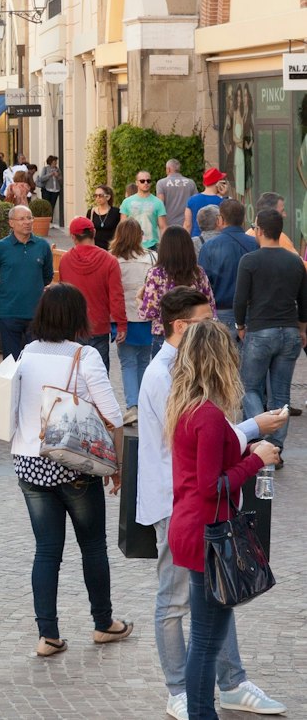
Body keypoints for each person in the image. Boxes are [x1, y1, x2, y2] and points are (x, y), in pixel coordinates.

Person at [136, 291, 286, 720]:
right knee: (194, 624)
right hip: (196, 522)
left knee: (211, 622)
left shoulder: (195, 405)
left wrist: (244, 446)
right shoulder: (198, 408)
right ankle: (193, 701)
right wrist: (254, 454)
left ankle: (227, 687)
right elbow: (208, 482)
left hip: (197, 521)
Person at [11, 283, 131, 658]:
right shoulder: (84, 357)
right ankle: (103, 623)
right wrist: (118, 467)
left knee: (46, 551)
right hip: (74, 464)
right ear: (77, 317)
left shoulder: (25, 354)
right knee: (92, 546)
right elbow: (113, 416)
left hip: (30, 462)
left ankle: (48, 635)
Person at [235, 207, 307, 457]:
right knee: (280, 392)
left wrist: (240, 326)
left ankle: (261, 437)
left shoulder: (250, 261)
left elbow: (240, 299)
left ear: (260, 231)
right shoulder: (295, 261)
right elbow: (304, 300)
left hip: (260, 330)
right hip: (289, 331)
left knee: (249, 386)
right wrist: (302, 328)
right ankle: (276, 446)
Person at [0, 206, 53, 360]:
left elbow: (47, 277)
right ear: (11, 223)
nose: (27, 222)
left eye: (29, 218)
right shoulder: (0, 247)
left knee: (35, 361)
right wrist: (8, 283)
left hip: (36, 315)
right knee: (11, 363)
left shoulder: (42, 246)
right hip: (9, 314)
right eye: (22, 219)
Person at [59, 217, 128, 374]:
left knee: (75, 375)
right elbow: (116, 296)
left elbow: (64, 296)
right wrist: (121, 324)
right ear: (94, 232)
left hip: (74, 327)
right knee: (99, 375)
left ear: (73, 237)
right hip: (99, 325)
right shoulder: (110, 261)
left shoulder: (65, 260)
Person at [110, 218, 156, 420]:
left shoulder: (113, 259)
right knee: (145, 361)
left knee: (127, 362)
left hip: (123, 317)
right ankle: (144, 404)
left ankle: (132, 405)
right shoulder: (152, 257)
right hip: (146, 317)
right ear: (140, 236)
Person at [198, 198, 257, 339]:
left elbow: (204, 283)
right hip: (252, 311)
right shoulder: (255, 244)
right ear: (242, 219)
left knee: (224, 358)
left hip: (222, 311)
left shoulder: (209, 247)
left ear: (220, 220)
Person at [141, 226, 215, 338]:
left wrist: (138, 300)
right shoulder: (198, 273)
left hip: (165, 334)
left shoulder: (156, 273)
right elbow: (210, 303)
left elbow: (150, 311)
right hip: (194, 334)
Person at [122, 170, 168, 249]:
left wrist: (164, 246)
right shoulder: (127, 202)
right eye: (142, 181)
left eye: (148, 181)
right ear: (137, 183)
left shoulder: (158, 202)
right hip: (131, 245)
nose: (146, 183)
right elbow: (122, 225)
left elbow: (163, 227)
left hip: (152, 245)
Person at [183, 168, 228, 237]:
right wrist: (224, 196)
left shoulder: (192, 200)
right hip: (216, 238)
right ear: (218, 183)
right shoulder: (222, 202)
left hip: (196, 238)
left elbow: (187, 224)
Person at [156, 159, 198, 232]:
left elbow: (160, 205)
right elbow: (195, 203)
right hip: (187, 225)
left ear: (168, 169)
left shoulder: (161, 183)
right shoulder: (190, 182)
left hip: (168, 225)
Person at [87, 184, 122, 251]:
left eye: (100, 195)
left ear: (108, 197)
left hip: (111, 249)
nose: (97, 198)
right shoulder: (91, 212)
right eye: (95, 196)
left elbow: (119, 231)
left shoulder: (116, 212)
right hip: (95, 249)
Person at [36, 156, 62, 223]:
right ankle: (45, 220)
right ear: (50, 162)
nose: (56, 163)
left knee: (52, 206)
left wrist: (58, 176)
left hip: (55, 190)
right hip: (47, 190)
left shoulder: (58, 170)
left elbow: (61, 180)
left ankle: (50, 220)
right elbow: (41, 178)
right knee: (46, 205)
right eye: (54, 161)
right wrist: (50, 174)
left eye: (56, 161)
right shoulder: (45, 169)